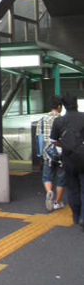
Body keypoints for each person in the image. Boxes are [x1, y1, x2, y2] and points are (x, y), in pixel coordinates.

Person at [51, 93, 84, 230]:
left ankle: (76, 216)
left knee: (72, 188)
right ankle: (83, 217)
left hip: (68, 159)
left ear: (63, 106)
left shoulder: (59, 121)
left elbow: (53, 141)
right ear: (76, 103)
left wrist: (65, 145)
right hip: (83, 157)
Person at [36, 95, 66, 211]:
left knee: (47, 177)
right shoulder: (63, 120)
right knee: (60, 179)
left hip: (48, 154)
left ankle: (49, 192)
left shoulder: (42, 120)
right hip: (61, 154)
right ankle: (57, 203)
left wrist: (40, 154)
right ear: (59, 107)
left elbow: (39, 139)